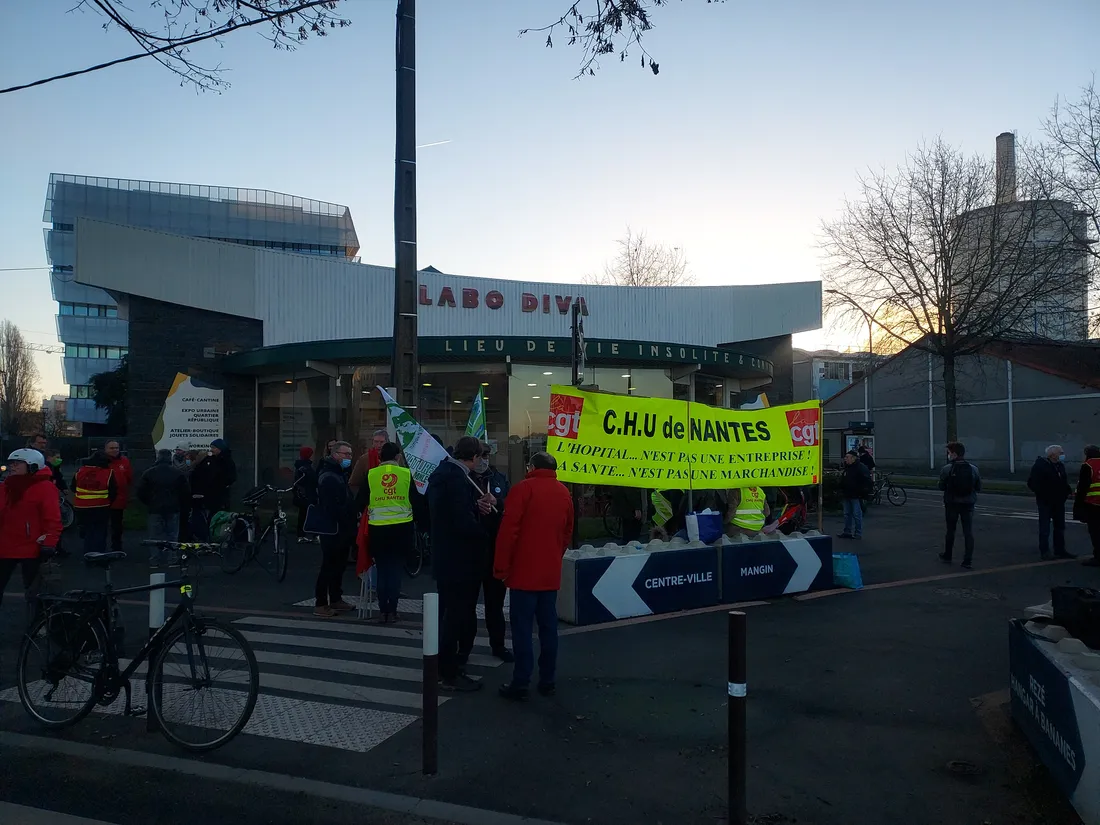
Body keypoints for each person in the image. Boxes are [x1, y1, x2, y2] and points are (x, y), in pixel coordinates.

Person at [494, 452, 574, 701]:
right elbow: (567, 532)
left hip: (523, 572)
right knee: (548, 628)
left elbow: (509, 531)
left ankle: (521, 681)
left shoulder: (522, 489)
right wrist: (555, 555)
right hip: (549, 572)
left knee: (522, 629)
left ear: (532, 467)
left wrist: (501, 567)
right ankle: (547, 680)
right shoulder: (564, 493)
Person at [427, 435, 495, 692]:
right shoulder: (457, 478)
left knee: (448, 614)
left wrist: (473, 506)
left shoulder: (442, 473)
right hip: (459, 559)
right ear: (474, 456)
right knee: (455, 616)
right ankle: (449, 672)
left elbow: (445, 511)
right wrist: (483, 533)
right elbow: (460, 521)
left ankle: (444, 666)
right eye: (480, 456)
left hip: (445, 555)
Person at [0, 449, 62, 613]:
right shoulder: (6, 486)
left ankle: (39, 622)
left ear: (33, 466)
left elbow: (52, 517)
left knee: (36, 592)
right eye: (11, 464)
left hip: (32, 547)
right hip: (5, 545)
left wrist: (50, 541)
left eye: (17, 464)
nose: (12, 467)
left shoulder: (45, 487)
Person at [471, 442, 513, 661]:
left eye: (487, 455)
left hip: (495, 549)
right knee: (466, 604)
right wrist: (475, 505)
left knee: (495, 603)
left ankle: (498, 645)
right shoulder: (464, 478)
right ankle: (463, 649)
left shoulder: (498, 478)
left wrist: (499, 501)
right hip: (470, 550)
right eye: (480, 455)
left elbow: (511, 504)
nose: (484, 459)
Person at [364, 442, 415, 623]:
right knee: (395, 571)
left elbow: (360, 500)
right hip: (401, 529)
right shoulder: (406, 474)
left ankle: (382, 610)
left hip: (377, 529)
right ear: (398, 457)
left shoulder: (371, 474)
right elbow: (416, 501)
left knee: (382, 570)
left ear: (380, 458)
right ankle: (392, 610)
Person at [314, 441, 357, 618]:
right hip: (332, 528)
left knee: (339, 565)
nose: (349, 458)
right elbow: (332, 506)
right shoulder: (329, 476)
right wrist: (346, 515)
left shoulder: (339, 473)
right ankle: (321, 603)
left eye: (350, 454)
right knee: (329, 565)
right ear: (335, 454)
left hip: (342, 528)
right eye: (346, 454)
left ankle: (336, 598)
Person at [136, 449, 190, 567]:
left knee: (154, 536)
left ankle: (155, 560)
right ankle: (172, 558)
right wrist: (179, 504)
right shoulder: (178, 473)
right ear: (170, 458)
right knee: (172, 535)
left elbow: (140, 491)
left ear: (158, 457)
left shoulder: (149, 473)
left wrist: (149, 502)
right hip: (173, 508)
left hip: (155, 508)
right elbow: (185, 492)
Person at [1027, 444, 1076, 561]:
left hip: (1059, 501)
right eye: (1060, 453)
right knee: (1045, 527)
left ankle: (1060, 550)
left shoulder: (1059, 466)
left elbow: (1063, 481)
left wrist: (1067, 491)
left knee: (1060, 527)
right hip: (1046, 501)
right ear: (1053, 455)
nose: (1063, 455)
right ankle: (1045, 551)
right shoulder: (1040, 466)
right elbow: (1032, 483)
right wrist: (1043, 494)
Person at [938, 441, 982, 569]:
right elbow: (978, 487)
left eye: (949, 453)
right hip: (968, 503)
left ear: (954, 454)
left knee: (951, 530)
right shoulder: (973, 469)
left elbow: (941, 486)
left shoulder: (947, 469)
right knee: (968, 531)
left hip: (952, 502)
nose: (948, 455)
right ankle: (967, 560)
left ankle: (948, 554)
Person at [72, 451, 118, 555]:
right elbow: (113, 491)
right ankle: (99, 554)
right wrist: (109, 502)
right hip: (101, 507)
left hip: (81, 507)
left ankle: (88, 554)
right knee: (100, 531)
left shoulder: (80, 471)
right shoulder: (108, 473)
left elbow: (73, 487)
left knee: (88, 531)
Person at [189, 439, 237, 532]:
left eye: (214, 448)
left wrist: (218, 485)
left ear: (220, 449)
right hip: (207, 497)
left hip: (219, 497)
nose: (211, 450)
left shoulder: (227, 462)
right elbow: (197, 474)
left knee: (217, 518)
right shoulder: (209, 460)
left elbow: (230, 478)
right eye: (211, 447)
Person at [1073, 444, 1100, 567]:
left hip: (1093, 504)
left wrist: (1078, 507)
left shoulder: (1088, 465)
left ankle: (1098, 557)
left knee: (1095, 532)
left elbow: (1082, 488)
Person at [103, 440, 132, 552]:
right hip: (103, 499)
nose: (115, 450)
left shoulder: (124, 461)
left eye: (116, 448)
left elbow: (128, 478)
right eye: (111, 448)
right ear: (106, 449)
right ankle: (100, 547)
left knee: (117, 526)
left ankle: (116, 547)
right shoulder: (101, 461)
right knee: (102, 525)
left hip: (119, 499)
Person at [838, 451, 872, 540]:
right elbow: (844, 479)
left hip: (856, 495)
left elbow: (867, 481)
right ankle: (847, 531)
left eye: (847, 457)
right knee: (847, 514)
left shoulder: (861, 467)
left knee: (857, 515)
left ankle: (858, 533)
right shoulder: (848, 467)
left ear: (853, 458)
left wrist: (863, 493)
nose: (845, 459)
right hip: (847, 494)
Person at [349, 429, 388, 500]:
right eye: (376, 442)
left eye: (382, 442)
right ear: (372, 442)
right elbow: (354, 482)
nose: (379, 445)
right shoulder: (364, 459)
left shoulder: (395, 457)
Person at [293, 446, 318, 544]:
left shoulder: (301, 466)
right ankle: (308, 534)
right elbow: (311, 480)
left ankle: (302, 534)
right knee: (308, 515)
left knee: (303, 515)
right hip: (307, 495)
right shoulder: (305, 468)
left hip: (305, 495)